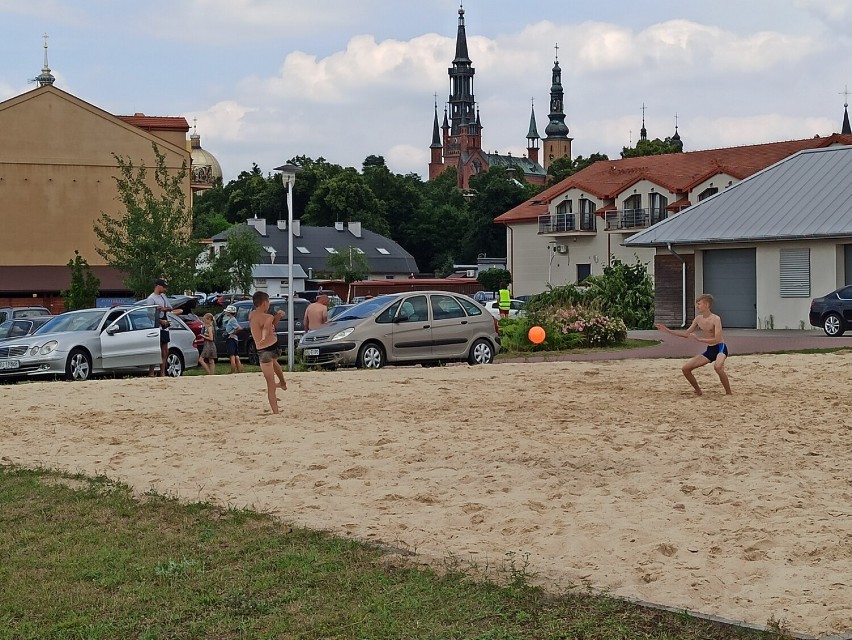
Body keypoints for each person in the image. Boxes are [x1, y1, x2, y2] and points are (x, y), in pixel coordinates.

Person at [656, 293, 732, 396]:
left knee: (718, 367)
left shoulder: (716, 319)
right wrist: (668, 331)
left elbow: (717, 339)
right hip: (710, 350)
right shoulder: (698, 319)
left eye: (699, 304)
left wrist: (699, 339)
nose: (697, 306)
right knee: (686, 369)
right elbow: (686, 334)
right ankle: (698, 391)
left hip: (720, 348)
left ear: (707, 305)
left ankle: (729, 393)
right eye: (697, 304)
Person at [249, 291, 288, 414]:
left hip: (263, 350)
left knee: (270, 385)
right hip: (274, 347)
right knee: (274, 361)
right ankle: (282, 382)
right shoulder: (268, 317)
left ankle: (275, 411)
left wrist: (276, 317)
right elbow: (268, 325)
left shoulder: (251, 315)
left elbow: (267, 325)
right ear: (265, 303)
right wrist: (278, 316)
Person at [145, 278, 181, 377]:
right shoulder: (151, 298)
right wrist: (160, 321)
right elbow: (150, 314)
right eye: (163, 287)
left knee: (165, 350)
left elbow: (170, 307)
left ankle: (162, 372)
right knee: (156, 348)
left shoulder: (163, 297)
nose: (165, 289)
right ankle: (151, 372)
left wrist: (164, 309)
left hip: (165, 326)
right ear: (158, 286)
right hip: (157, 326)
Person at [222, 305, 243, 374]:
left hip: (231, 339)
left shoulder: (232, 320)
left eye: (227, 312)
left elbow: (239, 328)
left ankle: (233, 370)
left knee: (232, 355)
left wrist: (232, 333)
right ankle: (239, 369)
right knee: (236, 355)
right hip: (234, 339)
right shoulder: (232, 320)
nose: (226, 313)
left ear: (230, 312)